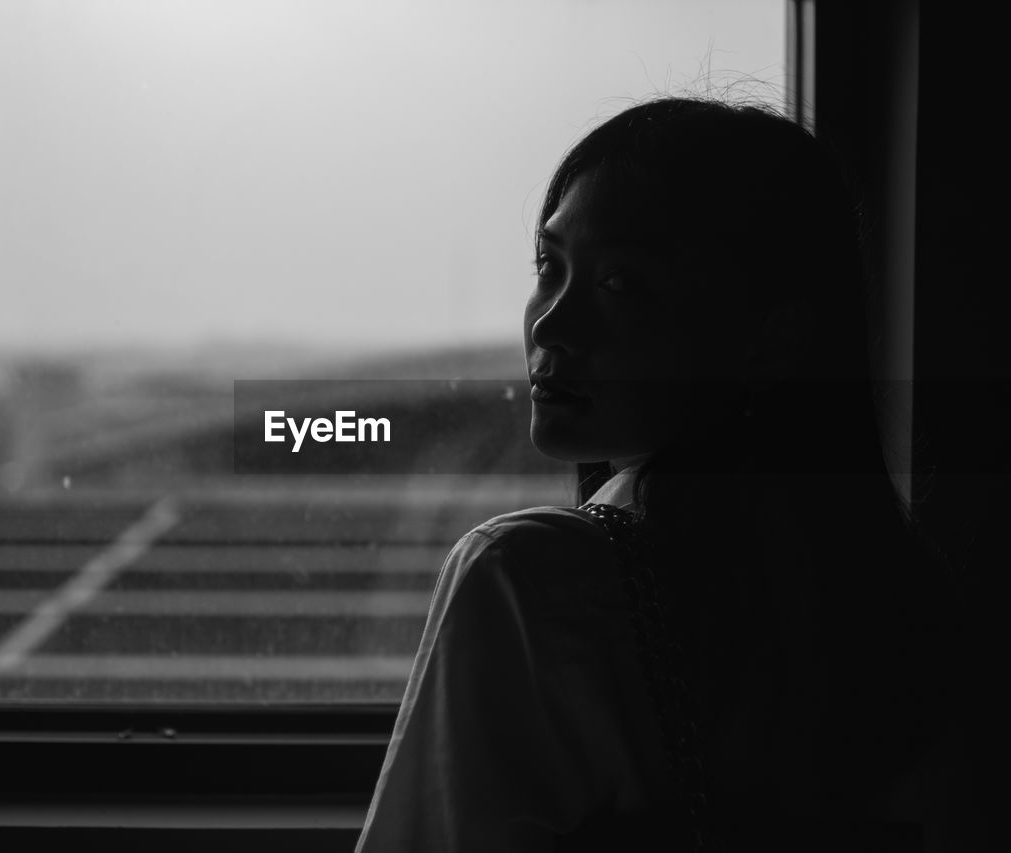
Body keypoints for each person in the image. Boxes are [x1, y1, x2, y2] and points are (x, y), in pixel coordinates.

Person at [353, 96, 967, 852]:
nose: (550, 325)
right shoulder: (908, 598)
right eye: (550, 267)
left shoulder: (526, 577)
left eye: (620, 285)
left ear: (767, 343)